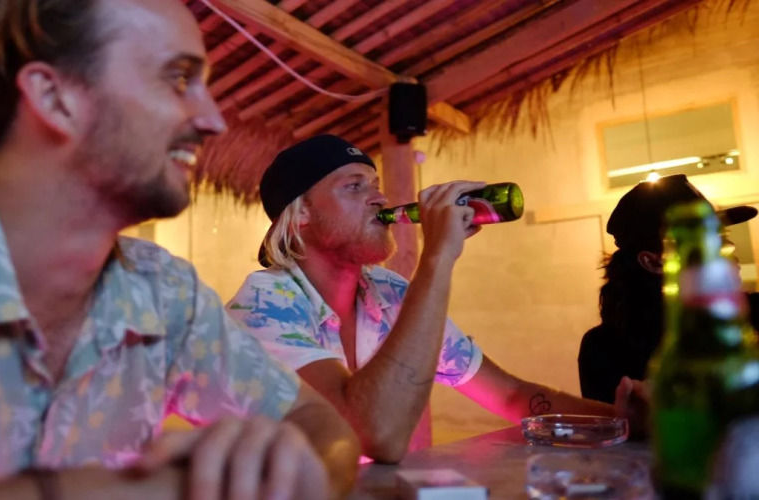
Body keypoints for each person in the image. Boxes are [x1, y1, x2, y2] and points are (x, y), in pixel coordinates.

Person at [0, 1, 361, 498]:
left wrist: (267, 464)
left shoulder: (165, 295)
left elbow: (326, 430)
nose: (213, 120)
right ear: (55, 98)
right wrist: (134, 489)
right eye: (177, 78)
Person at [225, 134, 645, 463]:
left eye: (376, 184)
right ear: (300, 213)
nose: (380, 198)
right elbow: (373, 434)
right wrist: (438, 257)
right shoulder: (264, 306)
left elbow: (510, 395)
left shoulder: (388, 293)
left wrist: (623, 421)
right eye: (354, 186)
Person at [578, 174, 757, 404]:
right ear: (654, 262)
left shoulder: (749, 316)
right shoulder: (604, 349)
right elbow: (612, 424)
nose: (729, 256)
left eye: (722, 240)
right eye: (703, 243)